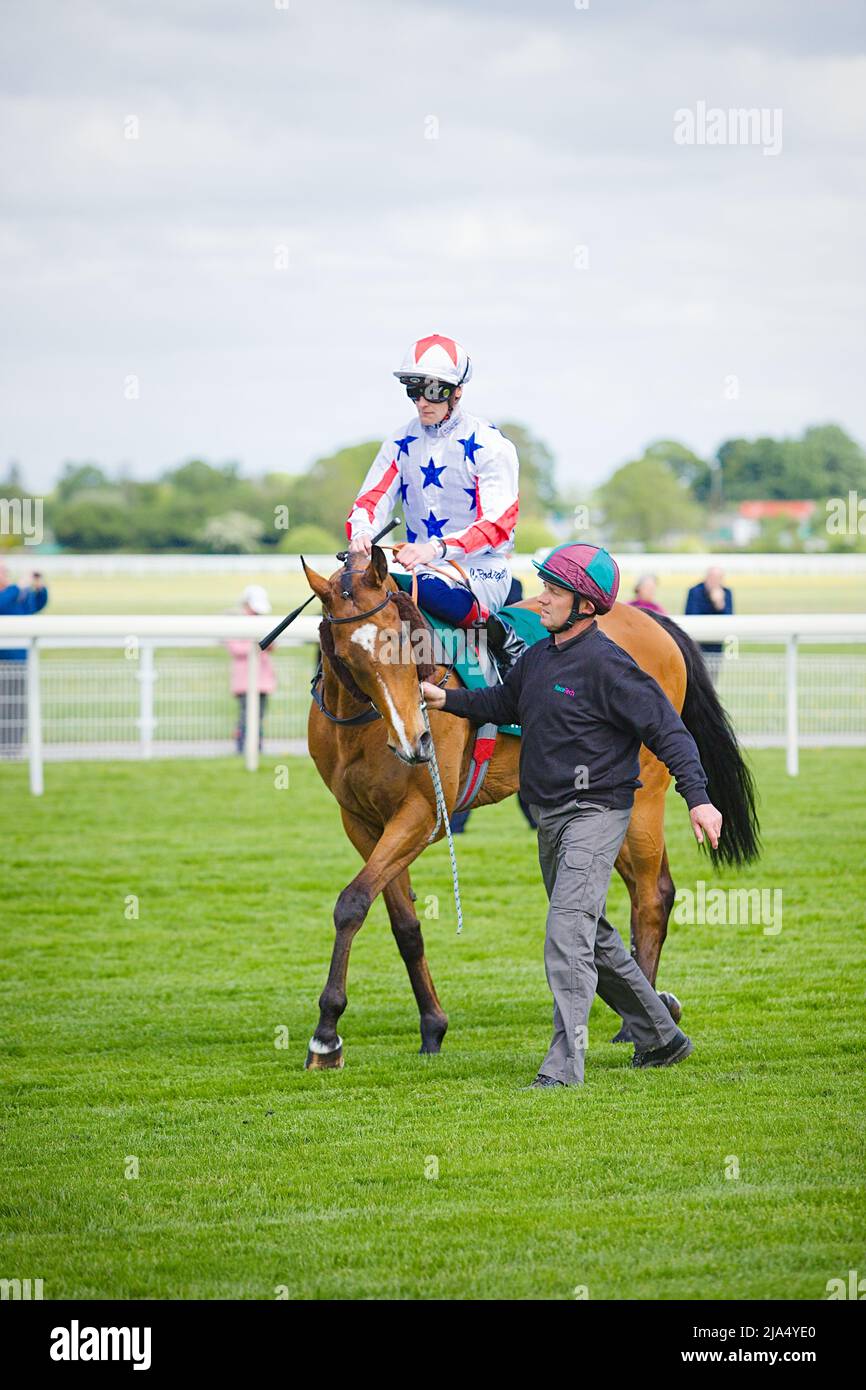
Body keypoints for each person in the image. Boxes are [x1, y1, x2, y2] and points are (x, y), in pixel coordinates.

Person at [421, 542, 723, 1088]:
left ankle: (563, 1068)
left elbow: (669, 732)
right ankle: (662, 1037)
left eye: (554, 591)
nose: (541, 600)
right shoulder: (538, 659)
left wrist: (698, 798)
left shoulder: (612, 665)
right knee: (597, 938)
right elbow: (502, 705)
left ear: (585, 604)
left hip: (597, 811)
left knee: (566, 936)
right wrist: (446, 702)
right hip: (552, 817)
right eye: (544, 588)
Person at [346, 333, 525, 669]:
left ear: (457, 391)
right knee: (348, 590)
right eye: (415, 391)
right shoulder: (401, 441)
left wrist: (436, 549)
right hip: (417, 565)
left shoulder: (490, 444)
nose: (422, 402)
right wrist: (362, 531)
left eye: (433, 391)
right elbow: (370, 500)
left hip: (482, 568)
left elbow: (497, 524)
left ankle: (504, 642)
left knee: (426, 588)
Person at [0, 563, 48, 759]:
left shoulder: (15, 595)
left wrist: (39, 589)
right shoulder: (11, 593)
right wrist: (17, 586)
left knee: (17, 707)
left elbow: (35, 606)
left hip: (18, 663)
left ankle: (12, 748)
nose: (5, 576)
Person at [225, 584, 276, 754]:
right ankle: (242, 748)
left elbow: (272, 646)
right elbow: (236, 649)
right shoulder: (236, 623)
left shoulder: (262, 622)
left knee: (259, 717)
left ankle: (257, 747)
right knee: (246, 716)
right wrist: (256, 645)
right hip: (244, 681)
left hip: (262, 680)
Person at [685, 566, 734, 677]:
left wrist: (719, 604)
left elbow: (729, 620)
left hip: (716, 643)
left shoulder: (727, 593)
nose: (714, 581)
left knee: (712, 677)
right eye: (712, 577)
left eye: (718, 578)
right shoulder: (695, 591)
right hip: (696, 643)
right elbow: (691, 615)